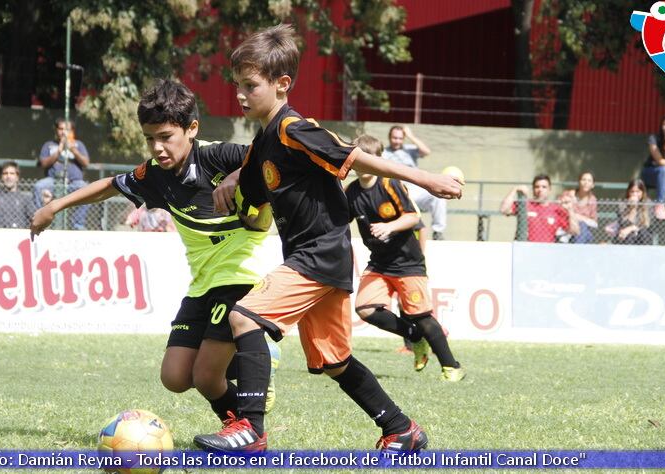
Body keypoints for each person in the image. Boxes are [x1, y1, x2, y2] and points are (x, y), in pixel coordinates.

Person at [192, 24, 462, 453]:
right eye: (237, 85)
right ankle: (402, 429)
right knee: (334, 361)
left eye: (250, 85)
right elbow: (256, 189)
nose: (240, 94)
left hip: (318, 254)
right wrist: (236, 185)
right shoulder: (265, 137)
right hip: (320, 257)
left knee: (243, 317)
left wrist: (426, 178)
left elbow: (353, 156)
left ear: (282, 85)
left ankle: (251, 431)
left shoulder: (295, 128)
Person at [30, 79, 280, 427]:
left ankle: (241, 420)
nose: (157, 147)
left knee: (207, 377)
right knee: (176, 377)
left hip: (241, 275)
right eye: (150, 138)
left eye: (165, 137)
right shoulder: (155, 175)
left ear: (192, 129)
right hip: (201, 284)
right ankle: (251, 366)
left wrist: (236, 177)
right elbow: (109, 185)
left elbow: (270, 157)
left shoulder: (216, 155)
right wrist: (55, 206)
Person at [345, 135, 465, 381]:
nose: (361, 164)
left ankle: (452, 367)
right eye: (357, 159)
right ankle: (414, 336)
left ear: (378, 161)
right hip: (379, 263)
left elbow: (412, 218)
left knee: (421, 317)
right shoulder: (352, 191)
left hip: (408, 263)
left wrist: (389, 227)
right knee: (365, 308)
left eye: (367, 159)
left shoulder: (390, 184)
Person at [382, 125, 448, 240]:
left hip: (414, 188)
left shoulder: (409, 150)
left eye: (400, 138)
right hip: (395, 189)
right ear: (389, 137)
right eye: (394, 138)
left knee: (439, 197)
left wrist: (411, 136)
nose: (397, 141)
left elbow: (426, 151)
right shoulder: (384, 153)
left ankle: (438, 232)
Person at [33, 119, 91, 230]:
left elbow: (86, 163)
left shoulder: (78, 145)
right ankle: (41, 221)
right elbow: (44, 163)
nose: (64, 132)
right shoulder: (49, 145)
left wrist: (72, 149)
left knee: (86, 189)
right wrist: (59, 149)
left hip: (74, 182)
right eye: (61, 129)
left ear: (72, 131)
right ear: (56, 130)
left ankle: (78, 225)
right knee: (38, 187)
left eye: (67, 129)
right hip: (53, 181)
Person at [500, 175, 579, 243]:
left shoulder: (556, 209)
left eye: (544, 187)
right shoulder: (525, 204)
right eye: (537, 187)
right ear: (533, 189)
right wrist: (514, 190)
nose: (540, 190)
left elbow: (575, 231)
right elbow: (504, 210)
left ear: (549, 190)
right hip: (524, 249)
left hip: (546, 251)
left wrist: (570, 210)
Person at [0, 161, 36, 229]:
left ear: (17, 177)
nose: (8, 176)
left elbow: (35, 218)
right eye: (5, 173)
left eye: (12, 173)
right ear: (1, 177)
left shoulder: (25, 199)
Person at [605, 179, 652, 246]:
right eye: (632, 192)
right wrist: (632, 208)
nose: (634, 194)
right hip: (626, 233)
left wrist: (632, 228)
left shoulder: (648, 203)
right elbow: (624, 224)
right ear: (628, 192)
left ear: (642, 192)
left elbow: (647, 225)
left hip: (642, 233)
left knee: (643, 233)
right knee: (629, 235)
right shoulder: (622, 204)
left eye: (638, 191)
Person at [569, 171, 598, 244]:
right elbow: (563, 214)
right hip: (569, 228)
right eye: (583, 179)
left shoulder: (593, 199)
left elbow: (594, 223)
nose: (586, 183)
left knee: (583, 226)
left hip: (585, 232)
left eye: (589, 181)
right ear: (579, 182)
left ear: (593, 185)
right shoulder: (570, 195)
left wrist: (579, 217)